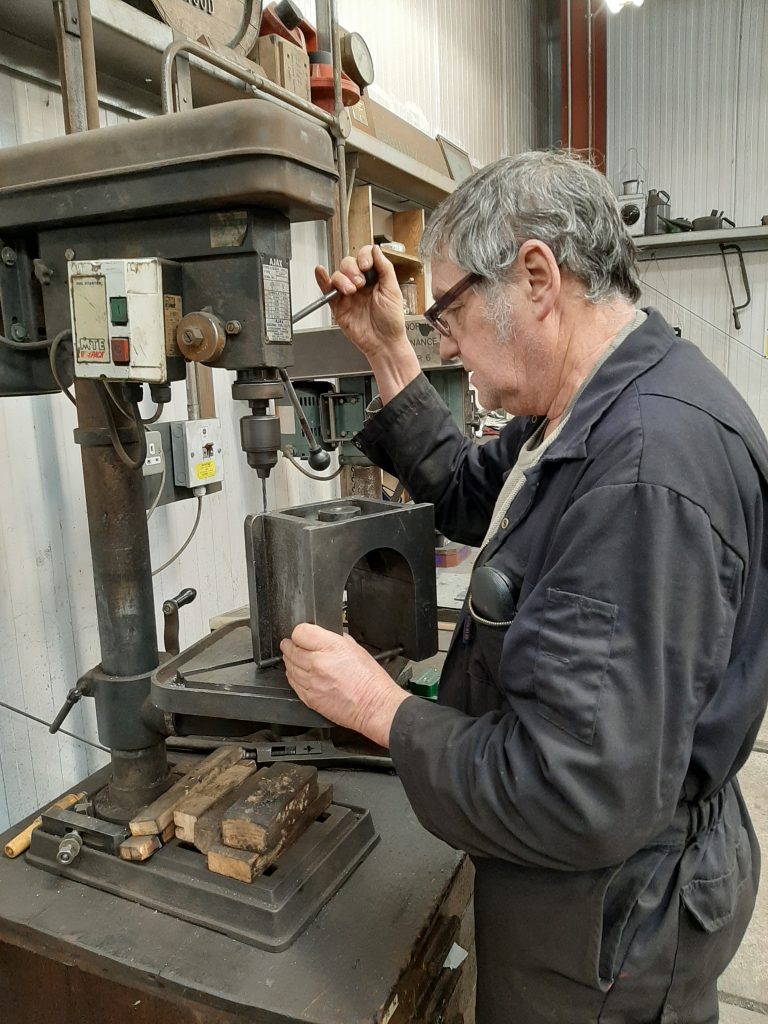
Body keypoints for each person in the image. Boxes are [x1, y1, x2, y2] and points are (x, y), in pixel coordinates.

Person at [280, 151, 768, 1024]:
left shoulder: (643, 473)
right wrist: (386, 348)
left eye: (449, 311)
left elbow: (574, 791)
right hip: (621, 883)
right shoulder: (591, 405)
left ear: (536, 277)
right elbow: (473, 488)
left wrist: (378, 708)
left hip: (614, 923)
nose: (443, 341)